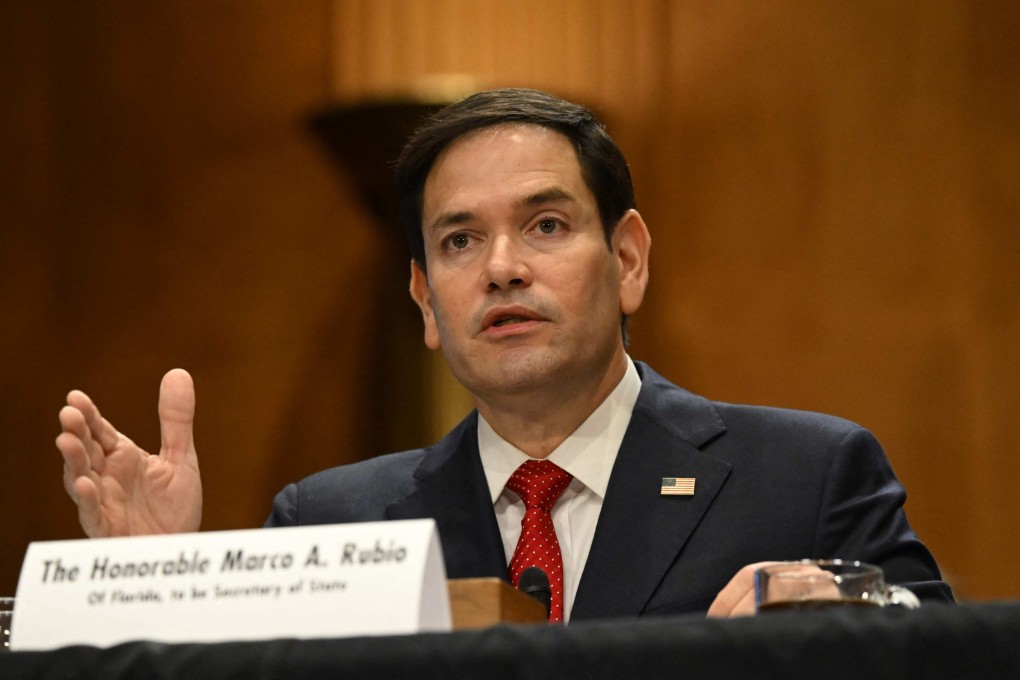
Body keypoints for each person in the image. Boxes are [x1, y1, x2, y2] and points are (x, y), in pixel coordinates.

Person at [57, 88, 953, 622]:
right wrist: (156, 589)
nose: (501, 269)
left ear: (628, 259)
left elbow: (952, 661)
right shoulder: (332, 522)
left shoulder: (808, 478)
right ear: (427, 304)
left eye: (547, 225)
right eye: (457, 241)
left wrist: (859, 612)